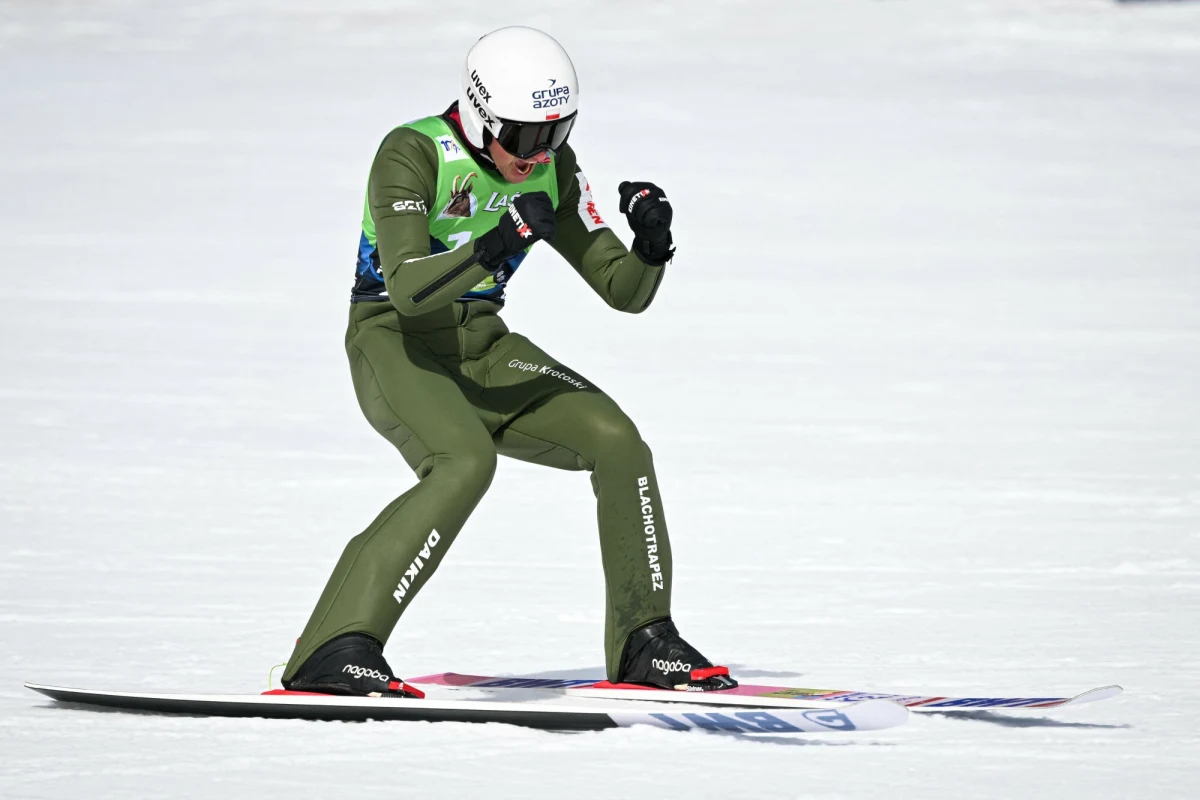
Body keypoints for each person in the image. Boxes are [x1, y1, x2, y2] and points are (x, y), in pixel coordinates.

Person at [281, 26, 735, 697]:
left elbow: (622, 290)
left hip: (485, 345)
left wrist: (650, 249)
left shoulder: (554, 165)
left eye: (557, 133)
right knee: (464, 461)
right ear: (480, 115)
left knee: (618, 443)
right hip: (394, 341)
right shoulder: (411, 153)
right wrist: (494, 244)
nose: (539, 154)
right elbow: (404, 287)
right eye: (524, 137)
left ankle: (645, 640)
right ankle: (332, 646)